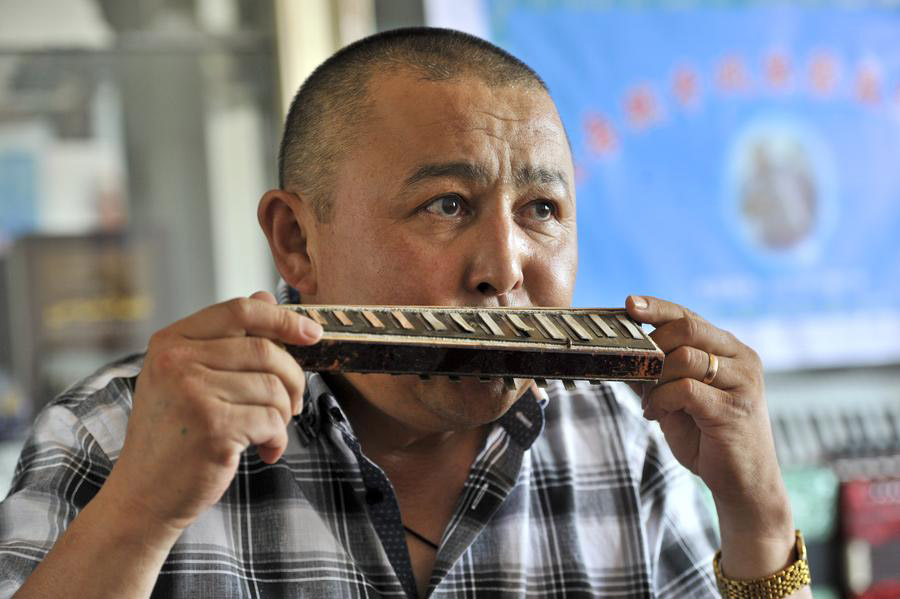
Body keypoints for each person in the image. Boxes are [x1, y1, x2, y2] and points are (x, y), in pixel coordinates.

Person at [0, 28, 811, 599]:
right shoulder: (113, 434)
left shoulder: (621, 434)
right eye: (447, 203)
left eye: (542, 209)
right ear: (296, 242)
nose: (505, 268)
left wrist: (758, 513)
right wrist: (142, 512)